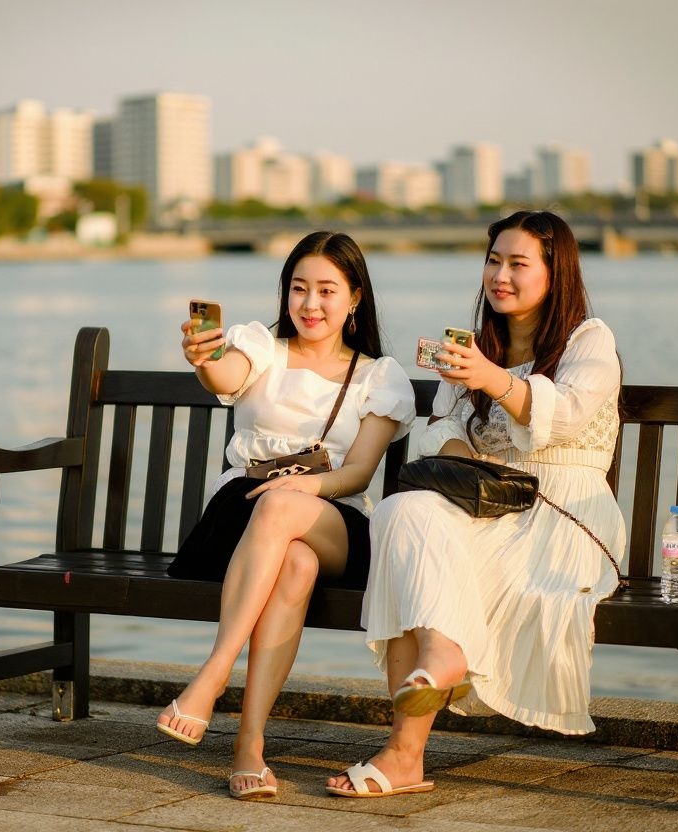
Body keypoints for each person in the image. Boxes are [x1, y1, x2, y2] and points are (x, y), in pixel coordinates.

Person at [327, 210, 626, 798]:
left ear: (554, 272)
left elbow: (565, 413)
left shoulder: (588, 340)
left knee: (423, 570)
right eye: (494, 261)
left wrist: (491, 379)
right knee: (397, 513)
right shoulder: (473, 348)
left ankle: (404, 754)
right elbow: (439, 433)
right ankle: (440, 656)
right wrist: (465, 427)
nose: (500, 275)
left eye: (518, 263)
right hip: (485, 505)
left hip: (562, 515)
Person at [157, 230, 416, 800]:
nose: (310, 304)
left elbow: (357, 475)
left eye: (327, 290)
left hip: (336, 521)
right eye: (299, 288)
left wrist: (302, 489)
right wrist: (205, 356)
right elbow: (225, 375)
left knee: (286, 510)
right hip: (243, 518)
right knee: (292, 562)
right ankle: (249, 746)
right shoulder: (262, 348)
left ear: (354, 299)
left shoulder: (380, 377)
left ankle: (213, 675)